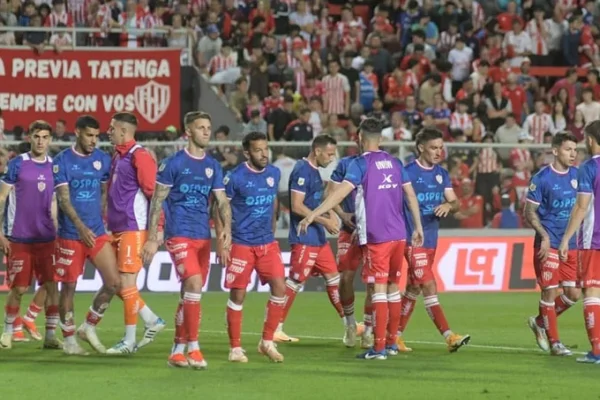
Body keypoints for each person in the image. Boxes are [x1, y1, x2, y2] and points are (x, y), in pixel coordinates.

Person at [297, 118, 424, 360]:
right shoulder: (396, 162)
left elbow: (338, 194)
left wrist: (312, 214)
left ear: (359, 138)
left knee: (377, 290)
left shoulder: (360, 164)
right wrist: (418, 227)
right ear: (382, 139)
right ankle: (391, 343)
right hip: (399, 235)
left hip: (377, 237)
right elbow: (410, 195)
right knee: (393, 289)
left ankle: (377, 349)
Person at [141, 111, 231, 370]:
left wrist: (227, 234)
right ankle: (194, 346)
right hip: (178, 234)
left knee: (190, 293)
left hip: (202, 235)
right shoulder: (173, 164)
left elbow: (222, 202)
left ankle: (177, 350)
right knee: (192, 283)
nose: (206, 132)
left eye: (208, 127)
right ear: (188, 132)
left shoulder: (213, 165)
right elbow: (157, 201)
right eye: (201, 127)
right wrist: (151, 238)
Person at [396, 128, 471, 353]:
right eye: (433, 147)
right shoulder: (407, 172)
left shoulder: (441, 174)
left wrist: (449, 205)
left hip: (431, 238)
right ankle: (449, 336)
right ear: (421, 148)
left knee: (413, 288)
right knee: (429, 284)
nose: (439, 152)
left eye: (441, 147)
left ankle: (394, 336)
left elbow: (456, 202)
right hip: (412, 239)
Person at [52, 115, 120, 355]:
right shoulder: (62, 161)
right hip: (71, 234)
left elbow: (104, 190)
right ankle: (69, 339)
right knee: (68, 288)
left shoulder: (103, 160)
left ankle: (88, 326)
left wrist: (101, 213)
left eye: (97, 136)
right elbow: (64, 200)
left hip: (97, 232)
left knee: (114, 282)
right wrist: (81, 227)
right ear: (77, 132)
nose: (94, 141)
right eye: (89, 135)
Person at [216, 131, 286, 363]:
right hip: (242, 244)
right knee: (238, 294)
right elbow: (219, 207)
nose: (264, 154)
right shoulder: (234, 177)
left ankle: (267, 342)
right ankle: (235, 348)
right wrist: (222, 240)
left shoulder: (274, 173)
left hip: (267, 243)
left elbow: (273, 201)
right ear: (247, 153)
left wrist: (273, 229)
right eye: (258, 150)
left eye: (265, 149)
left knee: (280, 288)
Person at [104, 112, 165, 354]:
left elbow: (155, 194)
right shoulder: (117, 156)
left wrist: (156, 232)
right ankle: (151, 319)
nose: (108, 132)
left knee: (127, 282)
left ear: (123, 131)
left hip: (134, 227)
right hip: (117, 228)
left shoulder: (139, 156)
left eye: (111, 128)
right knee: (117, 283)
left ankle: (129, 341)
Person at [274, 135, 343, 343]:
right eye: (329, 154)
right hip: (304, 236)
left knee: (333, 278)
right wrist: (325, 221)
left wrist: (331, 213)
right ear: (317, 151)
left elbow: (319, 199)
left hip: (318, 238)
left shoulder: (315, 172)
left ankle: (349, 324)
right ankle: (276, 327)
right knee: (295, 281)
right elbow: (297, 206)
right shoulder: (302, 170)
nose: (331, 159)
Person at [0, 120, 61, 350]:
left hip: (46, 238)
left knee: (51, 285)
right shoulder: (17, 164)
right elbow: (2, 198)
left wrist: (57, 230)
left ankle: (51, 335)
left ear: (50, 140)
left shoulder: (55, 166)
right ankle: (7, 331)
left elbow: (56, 202)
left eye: (45, 137)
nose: (41, 141)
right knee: (19, 288)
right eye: (37, 136)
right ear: (30, 138)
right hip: (20, 238)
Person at [525, 132, 579, 356]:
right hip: (548, 243)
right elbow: (529, 212)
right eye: (568, 149)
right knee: (549, 292)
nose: (573, 154)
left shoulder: (577, 175)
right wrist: (544, 236)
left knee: (573, 294)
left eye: (575, 150)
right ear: (555, 151)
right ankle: (555, 343)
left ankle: (539, 322)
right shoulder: (542, 178)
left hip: (571, 243)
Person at [558, 120, 600, 364]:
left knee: (592, 291)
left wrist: (566, 239)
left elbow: (582, 206)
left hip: (593, 240)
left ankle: (596, 350)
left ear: (591, 140)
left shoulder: (588, 168)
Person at [326, 155, 373, 349]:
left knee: (373, 282)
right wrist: (342, 214)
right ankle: (350, 324)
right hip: (348, 229)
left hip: (372, 231)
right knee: (345, 278)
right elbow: (330, 194)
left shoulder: (380, 164)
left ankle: (369, 330)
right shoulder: (345, 164)